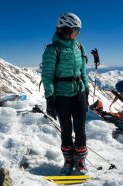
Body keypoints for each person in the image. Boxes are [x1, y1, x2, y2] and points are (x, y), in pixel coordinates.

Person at [41, 12, 89, 175]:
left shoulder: (79, 46)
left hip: (79, 93)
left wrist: (87, 91)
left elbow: (83, 70)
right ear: (68, 29)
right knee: (66, 129)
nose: (79, 33)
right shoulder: (52, 50)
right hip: (61, 96)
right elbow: (47, 76)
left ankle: (80, 161)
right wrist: (50, 98)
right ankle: (68, 161)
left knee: (80, 129)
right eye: (77, 29)